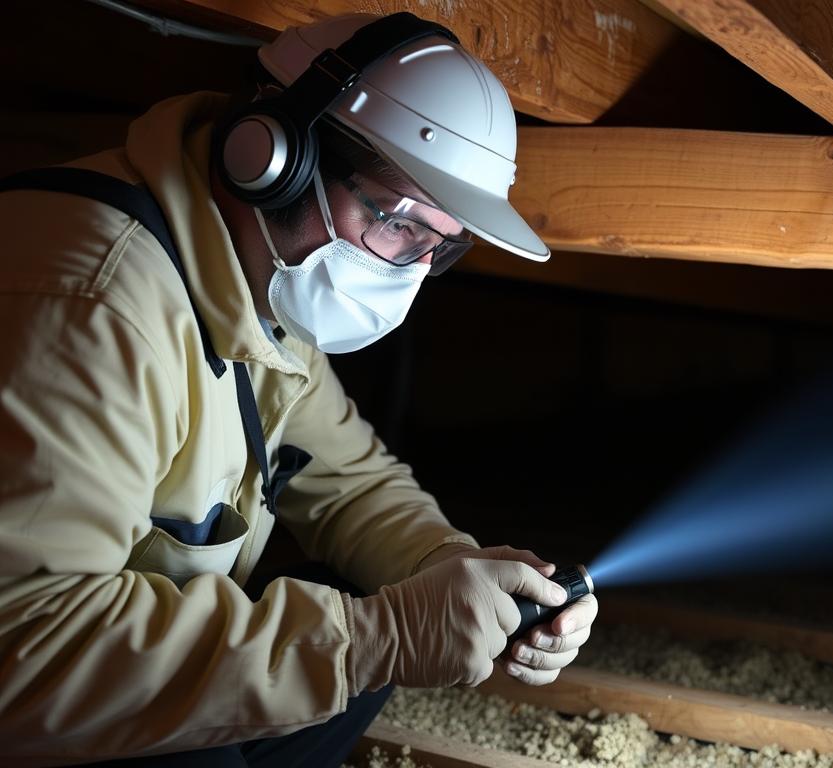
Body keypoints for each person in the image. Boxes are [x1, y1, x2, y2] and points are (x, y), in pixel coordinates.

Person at [0, 11, 597, 766]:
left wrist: (458, 574)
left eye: (438, 247)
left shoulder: (257, 289)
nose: (409, 270)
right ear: (272, 153)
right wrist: (378, 638)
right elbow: (23, 648)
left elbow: (353, 488)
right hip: (34, 698)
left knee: (366, 606)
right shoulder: (94, 300)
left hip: (94, 673)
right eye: (397, 220)